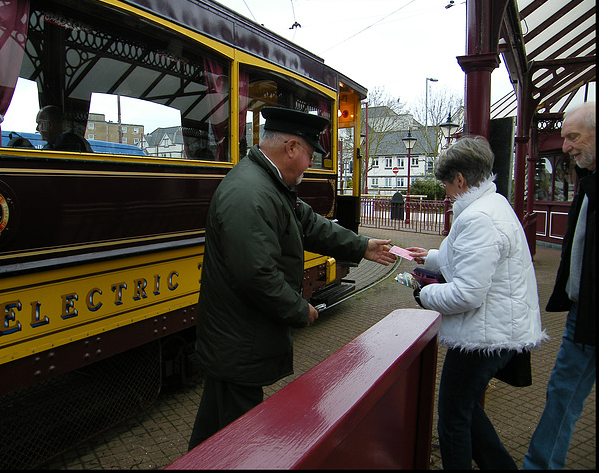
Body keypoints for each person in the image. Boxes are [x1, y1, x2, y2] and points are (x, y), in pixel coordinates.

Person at [188, 106, 397, 450]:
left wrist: (362, 246)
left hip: (235, 341)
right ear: (291, 148)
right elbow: (257, 276)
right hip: (239, 343)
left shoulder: (268, 185)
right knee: (245, 446)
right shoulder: (252, 194)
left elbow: (310, 224)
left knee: (213, 433)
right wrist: (299, 309)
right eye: (311, 154)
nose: (311, 164)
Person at [406, 136, 548, 470]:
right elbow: (474, 261)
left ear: (460, 179)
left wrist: (422, 293)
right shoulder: (493, 205)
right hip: (498, 328)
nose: (445, 193)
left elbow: (468, 293)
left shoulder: (477, 218)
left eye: (446, 184)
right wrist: (432, 256)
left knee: (453, 419)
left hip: (483, 335)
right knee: (466, 411)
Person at [523, 102, 595, 470]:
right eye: (564, 137)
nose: (565, 146)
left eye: (573, 137)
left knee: (564, 395)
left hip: (588, 317)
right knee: (562, 395)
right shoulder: (588, 182)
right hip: (582, 315)